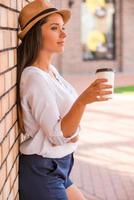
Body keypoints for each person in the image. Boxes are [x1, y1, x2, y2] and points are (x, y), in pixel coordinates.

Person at [17, 0, 112, 200]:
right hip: (42, 170)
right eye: (54, 28)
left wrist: (73, 131)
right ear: (36, 33)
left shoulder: (51, 72)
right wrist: (83, 100)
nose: (63, 34)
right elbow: (58, 135)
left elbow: (67, 130)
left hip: (61, 165)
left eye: (63, 28)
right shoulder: (34, 77)